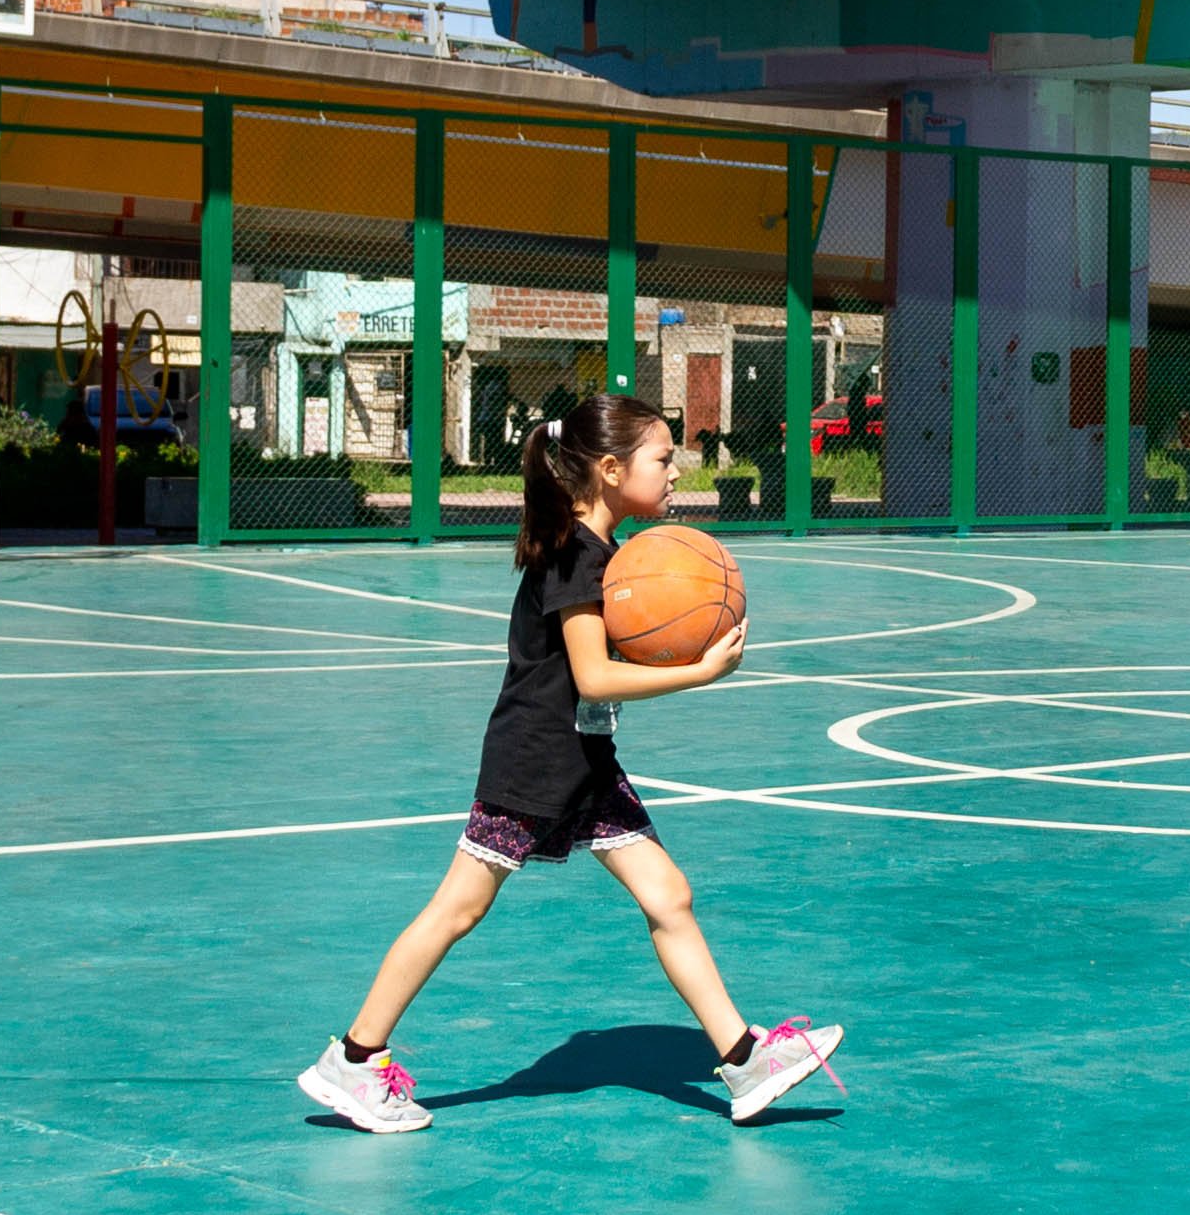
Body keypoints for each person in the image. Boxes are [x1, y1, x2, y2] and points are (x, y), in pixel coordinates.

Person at [299, 391, 841, 1133]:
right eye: (663, 458)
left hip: (583, 757)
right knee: (458, 909)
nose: (676, 471)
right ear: (613, 469)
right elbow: (594, 679)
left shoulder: (604, 556)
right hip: (535, 760)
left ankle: (745, 1060)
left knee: (668, 895)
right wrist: (700, 671)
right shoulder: (577, 558)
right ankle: (356, 1061)